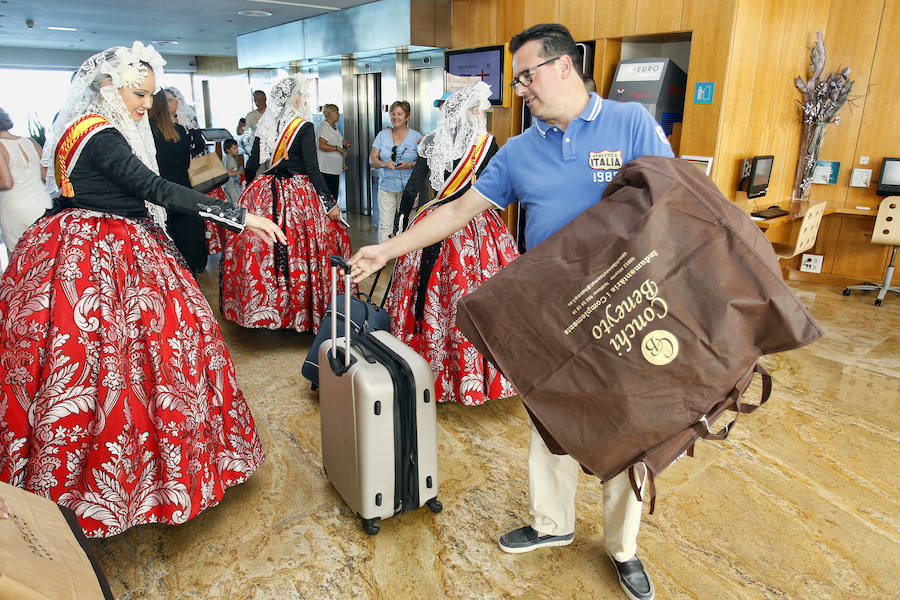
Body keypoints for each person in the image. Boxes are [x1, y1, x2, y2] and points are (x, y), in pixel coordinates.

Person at [349, 24, 674, 600]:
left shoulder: (630, 125)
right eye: (515, 77)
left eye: (526, 74)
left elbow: (673, 204)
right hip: (551, 312)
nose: (518, 87)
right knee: (549, 420)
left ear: (564, 66)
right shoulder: (520, 150)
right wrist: (387, 249)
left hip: (625, 307)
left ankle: (623, 547)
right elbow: (455, 213)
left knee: (628, 430)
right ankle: (553, 524)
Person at [0, 42, 286, 538]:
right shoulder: (100, 133)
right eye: (138, 94)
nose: (145, 105)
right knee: (140, 360)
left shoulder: (76, 129)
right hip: (106, 258)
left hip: (71, 244)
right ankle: (141, 479)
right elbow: (155, 189)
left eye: (150, 95)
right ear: (107, 86)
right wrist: (240, 217)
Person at [387, 82, 519, 406]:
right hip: (475, 230)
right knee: (470, 297)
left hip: (430, 223)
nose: (481, 114)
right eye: (478, 109)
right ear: (469, 111)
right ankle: (470, 377)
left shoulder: (431, 142)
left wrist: (400, 227)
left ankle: (424, 367)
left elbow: (413, 190)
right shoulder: (486, 143)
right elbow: (495, 192)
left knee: (426, 298)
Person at [220, 74, 352, 333]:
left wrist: (252, 192)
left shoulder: (267, 124)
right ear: (296, 98)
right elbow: (313, 170)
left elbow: (253, 164)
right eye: (303, 95)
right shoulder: (303, 125)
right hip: (298, 195)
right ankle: (302, 313)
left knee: (266, 251)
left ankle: (268, 310)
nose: (304, 99)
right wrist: (329, 204)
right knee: (304, 250)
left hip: (265, 189)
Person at [149, 90, 208, 273]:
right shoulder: (180, 131)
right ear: (163, 104)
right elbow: (187, 159)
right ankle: (193, 266)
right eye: (171, 100)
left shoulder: (149, 131)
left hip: (158, 186)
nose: (176, 103)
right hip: (181, 183)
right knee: (188, 227)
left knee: (169, 229)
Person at [0, 107, 53, 251]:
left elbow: (6, 182)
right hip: (42, 204)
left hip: (15, 208)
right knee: (45, 253)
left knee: (19, 259)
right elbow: (46, 175)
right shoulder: (30, 141)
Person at [369, 100, 420, 242]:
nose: (395, 117)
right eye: (392, 114)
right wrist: (383, 163)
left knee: (407, 222)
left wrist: (409, 165)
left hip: (408, 188)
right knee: (385, 223)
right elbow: (372, 159)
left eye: (399, 114)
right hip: (386, 186)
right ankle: (384, 256)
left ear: (407, 117)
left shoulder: (416, 137)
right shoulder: (382, 135)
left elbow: (423, 162)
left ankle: (406, 257)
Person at [316, 103, 351, 202]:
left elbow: (336, 141)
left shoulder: (334, 127)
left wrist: (344, 143)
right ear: (330, 114)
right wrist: (338, 149)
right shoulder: (324, 127)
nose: (338, 114)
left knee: (334, 197)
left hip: (334, 169)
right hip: (326, 170)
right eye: (336, 112)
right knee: (329, 198)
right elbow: (322, 145)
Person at [222, 138, 242, 203]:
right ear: (228, 150)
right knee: (238, 202)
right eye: (234, 148)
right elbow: (229, 173)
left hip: (227, 185)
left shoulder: (226, 158)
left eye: (237, 147)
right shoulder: (231, 160)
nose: (237, 150)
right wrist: (240, 171)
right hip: (232, 186)